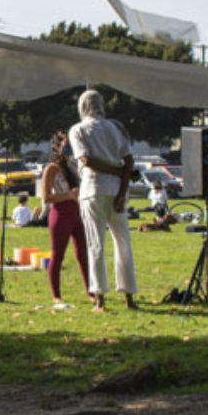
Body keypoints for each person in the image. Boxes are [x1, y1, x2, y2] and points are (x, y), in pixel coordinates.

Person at [67, 88, 137, 311]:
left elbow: (86, 160)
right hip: (116, 189)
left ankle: (99, 297)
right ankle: (129, 296)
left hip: (93, 188)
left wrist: (113, 173)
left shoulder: (78, 130)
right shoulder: (116, 128)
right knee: (123, 243)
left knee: (95, 243)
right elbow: (128, 161)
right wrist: (122, 191)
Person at [40, 134, 86, 308]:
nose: (69, 149)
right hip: (60, 215)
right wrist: (68, 195)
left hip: (78, 212)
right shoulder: (51, 168)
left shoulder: (75, 165)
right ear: (57, 147)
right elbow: (46, 197)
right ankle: (56, 295)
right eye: (66, 145)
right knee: (58, 255)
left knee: (83, 253)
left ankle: (90, 290)